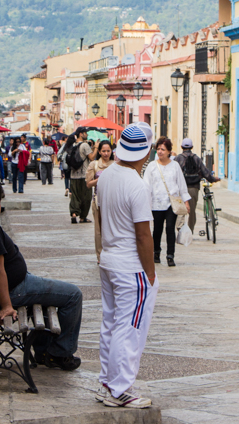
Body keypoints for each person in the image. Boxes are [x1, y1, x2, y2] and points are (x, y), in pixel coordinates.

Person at [0, 178, 83, 371]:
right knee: (73, 295)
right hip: (15, 290)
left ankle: (44, 350)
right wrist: (6, 306)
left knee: (49, 295)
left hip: (12, 286)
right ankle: (59, 353)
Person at [95, 123, 157, 409]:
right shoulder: (137, 184)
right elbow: (143, 234)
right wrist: (151, 272)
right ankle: (121, 389)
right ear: (145, 153)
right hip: (130, 265)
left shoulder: (106, 176)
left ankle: (107, 381)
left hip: (108, 259)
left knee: (111, 322)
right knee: (129, 327)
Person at [143, 137, 190, 267]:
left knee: (170, 228)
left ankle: (170, 255)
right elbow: (146, 186)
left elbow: (181, 185)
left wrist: (186, 201)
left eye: (163, 149)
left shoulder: (175, 166)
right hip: (156, 203)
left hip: (171, 203)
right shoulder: (152, 166)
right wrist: (146, 204)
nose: (160, 152)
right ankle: (156, 252)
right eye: (158, 149)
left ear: (169, 151)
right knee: (157, 230)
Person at [174, 138, 220, 232]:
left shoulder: (178, 159)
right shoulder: (196, 158)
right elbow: (205, 173)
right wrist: (213, 179)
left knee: (180, 211)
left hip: (180, 189)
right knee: (192, 211)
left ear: (181, 147)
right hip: (193, 188)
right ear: (192, 147)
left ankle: (180, 230)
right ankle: (190, 231)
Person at [86, 140, 115, 260]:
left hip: (113, 201)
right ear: (99, 151)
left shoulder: (116, 165)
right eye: (103, 151)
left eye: (108, 151)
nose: (106, 153)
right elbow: (88, 184)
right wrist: (100, 179)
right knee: (98, 230)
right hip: (98, 200)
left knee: (112, 229)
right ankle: (100, 255)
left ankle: (112, 253)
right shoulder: (94, 165)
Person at [68, 129, 94, 223]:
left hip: (73, 175)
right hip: (84, 176)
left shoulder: (72, 145)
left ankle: (74, 214)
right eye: (85, 133)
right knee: (86, 197)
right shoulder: (85, 145)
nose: (86, 134)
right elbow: (91, 158)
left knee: (75, 196)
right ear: (81, 134)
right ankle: (83, 217)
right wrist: (96, 147)